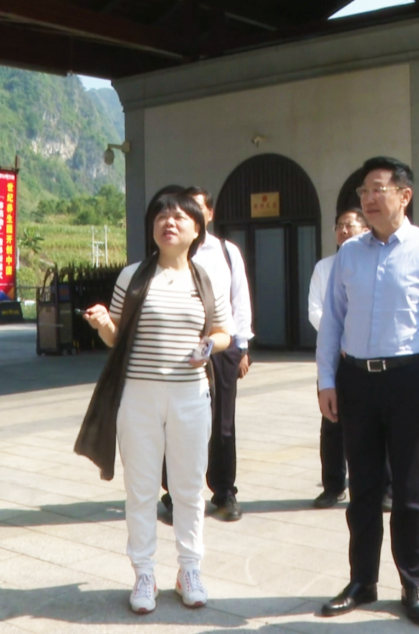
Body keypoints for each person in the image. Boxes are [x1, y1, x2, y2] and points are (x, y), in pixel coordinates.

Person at [76, 191, 233, 613]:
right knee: (141, 488)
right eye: (161, 215)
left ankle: (189, 569)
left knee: (188, 487)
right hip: (139, 396)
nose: (169, 222)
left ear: (197, 229)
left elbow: (224, 332)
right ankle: (144, 573)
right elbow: (116, 338)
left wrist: (209, 345)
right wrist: (103, 323)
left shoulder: (206, 278)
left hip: (190, 395)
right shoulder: (133, 276)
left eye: (180, 216)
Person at [316, 156, 419, 626]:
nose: (369, 199)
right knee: (363, 488)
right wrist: (327, 380)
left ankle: (412, 583)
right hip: (356, 379)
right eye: (364, 191)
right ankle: (362, 581)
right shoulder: (349, 254)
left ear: (404, 195)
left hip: (408, 379)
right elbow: (332, 322)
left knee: (409, 491)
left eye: (378, 189)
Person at [165, 185, 253, 523]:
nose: (192, 215)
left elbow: (240, 299)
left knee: (223, 423)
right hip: (180, 348)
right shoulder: (170, 250)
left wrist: (241, 347)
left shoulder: (227, 252)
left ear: (210, 214)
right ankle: (175, 492)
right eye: (185, 209)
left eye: (198, 208)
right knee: (178, 420)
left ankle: (224, 490)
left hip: (221, 346)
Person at [308, 206, 374, 509]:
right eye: (339, 226)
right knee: (332, 421)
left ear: (365, 229)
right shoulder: (325, 267)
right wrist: (340, 337)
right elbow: (315, 310)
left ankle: (382, 487)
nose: (343, 231)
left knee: (374, 422)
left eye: (350, 225)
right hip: (333, 354)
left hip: (367, 354)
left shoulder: (372, 262)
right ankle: (333, 485)